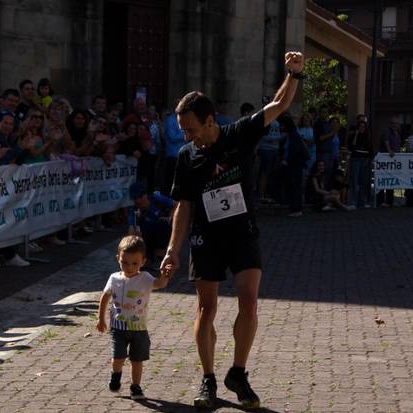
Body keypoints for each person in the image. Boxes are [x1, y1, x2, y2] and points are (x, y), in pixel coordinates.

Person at [160, 51, 304, 409]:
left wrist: (294, 73)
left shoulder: (239, 134)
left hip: (243, 231)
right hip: (206, 237)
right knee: (206, 309)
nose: (188, 136)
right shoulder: (185, 157)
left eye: (191, 129)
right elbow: (184, 205)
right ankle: (208, 379)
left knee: (249, 303)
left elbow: (279, 104)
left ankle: (238, 373)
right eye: (183, 131)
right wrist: (172, 249)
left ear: (210, 120)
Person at [96, 235, 171, 400]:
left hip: (139, 329)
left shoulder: (145, 278)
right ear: (118, 259)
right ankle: (116, 374)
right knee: (118, 358)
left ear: (143, 261)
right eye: (125, 262)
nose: (129, 267)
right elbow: (105, 297)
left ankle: (136, 387)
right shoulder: (114, 278)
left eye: (135, 263)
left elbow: (159, 284)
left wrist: (165, 275)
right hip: (118, 328)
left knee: (137, 361)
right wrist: (101, 318)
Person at [128, 183, 174, 268]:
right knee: (134, 235)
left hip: (165, 233)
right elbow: (130, 229)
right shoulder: (134, 210)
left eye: (140, 196)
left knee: (162, 223)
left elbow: (176, 205)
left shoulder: (156, 199)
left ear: (145, 194)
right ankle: (145, 257)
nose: (138, 200)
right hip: (148, 235)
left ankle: (159, 256)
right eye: (135, 198)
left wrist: (171, 218)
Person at [278, 113, 310, 217]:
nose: (281, 127)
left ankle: (296, 209)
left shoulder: (293, 135)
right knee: (293, 186)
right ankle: (294, 207)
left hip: (294, 165)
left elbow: (294, 151)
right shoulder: (291, 135)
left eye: (282, 125)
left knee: (295, 186)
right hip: (292, 164)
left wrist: (287, 161)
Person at [377, 116, 402, 207]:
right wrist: (389, 150)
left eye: (396, 123)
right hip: (385, 159)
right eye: (392, 123)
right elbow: (386, 141)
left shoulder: (397, 133)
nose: (394, 125)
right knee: (382, 179)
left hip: (393, 161)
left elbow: (398, 145)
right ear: (390, 124)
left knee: (391, 179)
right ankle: (380, 201)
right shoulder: (387, 131)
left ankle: (390, 201)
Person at [348, 120, 372, 209]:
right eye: (360, 127)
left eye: (363, 127)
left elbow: (370, 150)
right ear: (357, 128)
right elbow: (352, 146)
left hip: (365, 160)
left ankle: (363, 201)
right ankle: (353, 202)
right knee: (354, 181)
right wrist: (356, 135)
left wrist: (368, 159)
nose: (362, 128)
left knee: (363, 182)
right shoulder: (352, 136)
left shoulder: (368, 137)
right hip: (356, 160)